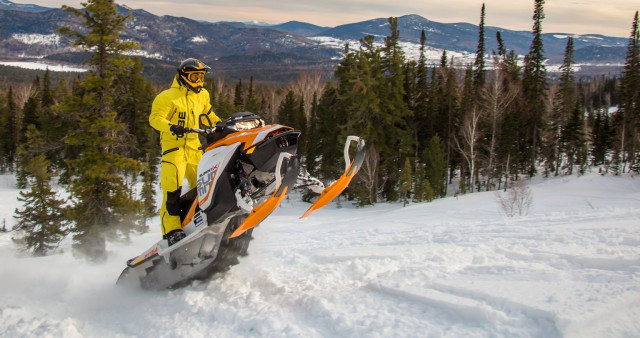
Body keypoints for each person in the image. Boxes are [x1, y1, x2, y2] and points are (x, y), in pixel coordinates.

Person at [149, 58, 221, 246]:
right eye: (194, 76)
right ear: (183, 75)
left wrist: (221, 125)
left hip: (194, 147)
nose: (198, 80)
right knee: (172, 190)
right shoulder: (167, 97)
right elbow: (155, 119)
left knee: (205, 185)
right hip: (174, 149)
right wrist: (172, 127)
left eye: (201, 76)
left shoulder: (202, 95)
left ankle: (200, 216)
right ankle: (172, 230)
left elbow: (208, 114)